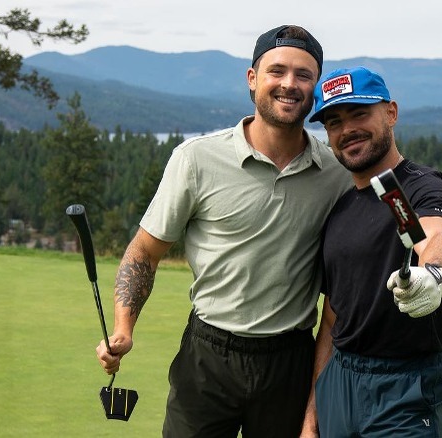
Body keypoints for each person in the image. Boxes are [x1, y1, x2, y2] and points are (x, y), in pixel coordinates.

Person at [95, 25, 351, 437]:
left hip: (290, 361)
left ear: (316, 87)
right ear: (253, 79)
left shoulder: (336, 174)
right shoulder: (196, 159)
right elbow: (144, 251)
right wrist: (124, 328)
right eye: (277, 71)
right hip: (208, 356)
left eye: (304, 75)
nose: (290, 83)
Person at [300, 66, 442, 437]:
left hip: (404, 388)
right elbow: (332, 320)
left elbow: (435, 238)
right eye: (334, 122)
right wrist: (312, 416)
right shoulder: (341, 210)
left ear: (390, 112)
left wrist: (435, 276)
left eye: (359, 113)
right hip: (339, 384)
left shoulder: (418, 190)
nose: (347, 130)